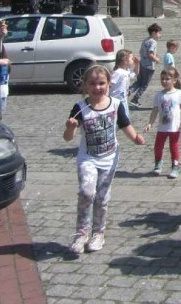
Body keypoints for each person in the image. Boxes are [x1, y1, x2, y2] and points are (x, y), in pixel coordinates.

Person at [64, 65, 145, 253]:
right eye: (92, 84)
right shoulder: (80, 107)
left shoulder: (116, 104)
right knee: (86, 192)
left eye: (101, 83)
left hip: (109, 158)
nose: (97, 87)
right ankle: (81, 233)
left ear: (109, 84)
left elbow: (125, 125)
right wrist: (70, 127)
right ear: (84, 85)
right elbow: (68, 137)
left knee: (101, 197)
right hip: (88, 158)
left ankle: (98, 233)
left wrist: (136, 138)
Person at [145, 67, 181, 179]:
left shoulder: (179, 93)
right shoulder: (159, 95)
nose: (164, 81)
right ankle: (158, 164)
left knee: (174, 146)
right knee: (158, 146)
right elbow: (155, 110)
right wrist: (150, 123)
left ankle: (175, 166)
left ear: (174, 80)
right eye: (162, 79)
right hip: (162, 127)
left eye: (167, 79)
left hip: (174, 127)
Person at [129, 23, 161, 107]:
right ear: (154, 33)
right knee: (144, 84)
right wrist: (156, 59)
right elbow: (150, 55)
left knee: (139, 81)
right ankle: (135, 99)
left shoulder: (145, 40)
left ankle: (128, 92)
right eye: (159, 33)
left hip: (142, 64)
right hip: (149, 66)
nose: (160, 35)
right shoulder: (153, 42)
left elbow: (142, 52)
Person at [110, 49, 138, 120]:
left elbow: (135, 73)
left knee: (126, 119)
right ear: (125, 61)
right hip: (116, 100)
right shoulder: (118, 72)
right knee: (119, 119)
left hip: (123, 99)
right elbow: (109, 84)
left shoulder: (126, 71)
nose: (133, 60)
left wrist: (137, 64)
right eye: (132, 58)